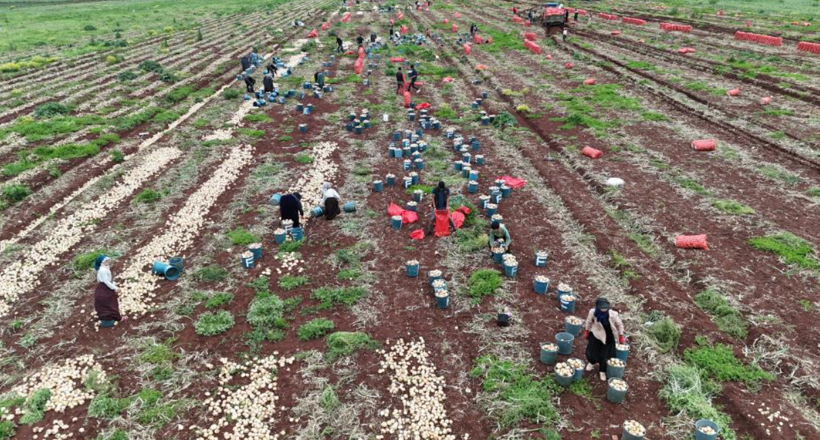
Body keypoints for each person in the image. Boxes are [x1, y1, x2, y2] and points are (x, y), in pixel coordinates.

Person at [584, 297, 626, 381]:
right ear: (597, 307)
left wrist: (621, 335)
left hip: (608, 337)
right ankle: (592, 362)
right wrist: (586, 330)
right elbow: (588, 321)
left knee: (604, 355)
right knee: (591, 352)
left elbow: (619, 324)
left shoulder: (613, 314)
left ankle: (602, 371)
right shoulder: (593, 312)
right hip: (596, 334)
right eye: (602, 308)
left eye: (605, 308)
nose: (604, 309)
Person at [94, 257, 125, 326]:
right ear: (102, 263)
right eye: (106, 261)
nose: (108, 262)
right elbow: (106, 281)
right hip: (105, 289)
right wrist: (115, 288)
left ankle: (109, 319)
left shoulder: (102, 269)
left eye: (108, 260)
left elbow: (101, 280)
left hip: (101, 288)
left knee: (104, 305)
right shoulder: (103, 270)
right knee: (110, 304)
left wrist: (113, 285)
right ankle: (116, 319)